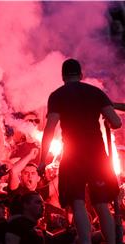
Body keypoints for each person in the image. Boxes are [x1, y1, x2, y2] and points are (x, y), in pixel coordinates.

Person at [39, 58, 122, 244]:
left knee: (77, 203)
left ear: (63, 77)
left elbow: (50, 129)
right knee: (102, 204)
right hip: (97, 154)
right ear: (81, 74)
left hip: (73, 154)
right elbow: (116, 122)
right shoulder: (95, 92)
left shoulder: (57, 96)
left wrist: (42, 160)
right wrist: (107, 121)